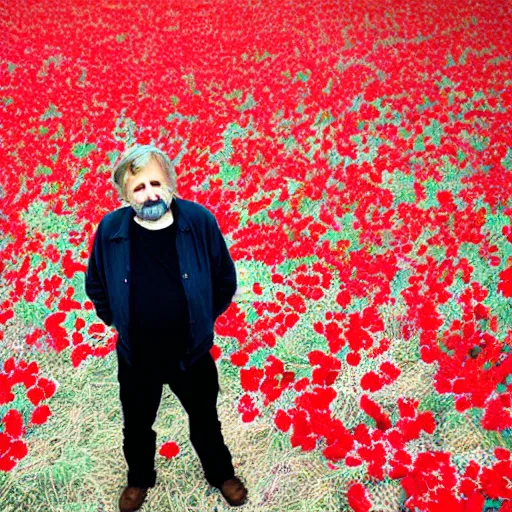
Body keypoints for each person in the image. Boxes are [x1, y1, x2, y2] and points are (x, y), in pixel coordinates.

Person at [84, 145, 248, 511]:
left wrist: (204, 317)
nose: (150, 193)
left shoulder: (198, 221)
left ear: (171, 184)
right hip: (137, 355)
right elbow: (95, 284)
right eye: (138, 187)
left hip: (191, 353)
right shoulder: (111, 229)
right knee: (137, 425)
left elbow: (224, 277)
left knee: (205, 419)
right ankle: (139, 480)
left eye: (156, 182)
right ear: (125, 195)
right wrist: (118, 321)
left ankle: (221, 474)